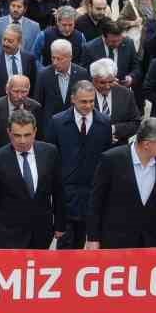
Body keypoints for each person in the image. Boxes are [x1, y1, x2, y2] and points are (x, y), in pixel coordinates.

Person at [85, 117, 156, 249]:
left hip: (150, 240)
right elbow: (96, 201)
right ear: (147, 144)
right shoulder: (111, 159)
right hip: (116, 241)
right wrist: (93, 238)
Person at [0, 110, 65, 249]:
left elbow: (58, 191)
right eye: (17, 135)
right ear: (9, 132)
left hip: (42, 233)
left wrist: (60, 224)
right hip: (9, 235)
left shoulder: (50, 152)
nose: (22, 141)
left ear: (35, 131)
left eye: (27, 135)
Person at [50, 82, 114, 249]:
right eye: (83, 102)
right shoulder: (57, 122)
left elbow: (107, 157)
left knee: (90, 244)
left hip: (93, 192)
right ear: (73, 99)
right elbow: (51, 158)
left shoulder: (104, 122)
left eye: (91, 101)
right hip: (66, 194)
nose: (88, 106)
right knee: (65, 246)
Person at [33, 39, 90, 121]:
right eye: (53, 58)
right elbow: (38, 104)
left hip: (73, 125)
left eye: (59, 59)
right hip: (50, 127)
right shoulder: (43, 75)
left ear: (70, 57)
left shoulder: (82, 74)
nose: (55, 62)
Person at [88, 58, 141, 145]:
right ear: (93, 80)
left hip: (117, 148)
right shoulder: (84, 94)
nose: (107, 86)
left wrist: (113, 129)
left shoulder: (126, 94)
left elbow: (135, 123)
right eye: (102, 83)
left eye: (111, 82)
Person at [0, 23, 38, 103]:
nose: (5, 43)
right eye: (4, 39)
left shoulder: (29, 59)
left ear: (20, 42)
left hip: (24, 107)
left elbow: (34, 86)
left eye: (10, 41)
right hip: (0, 109)